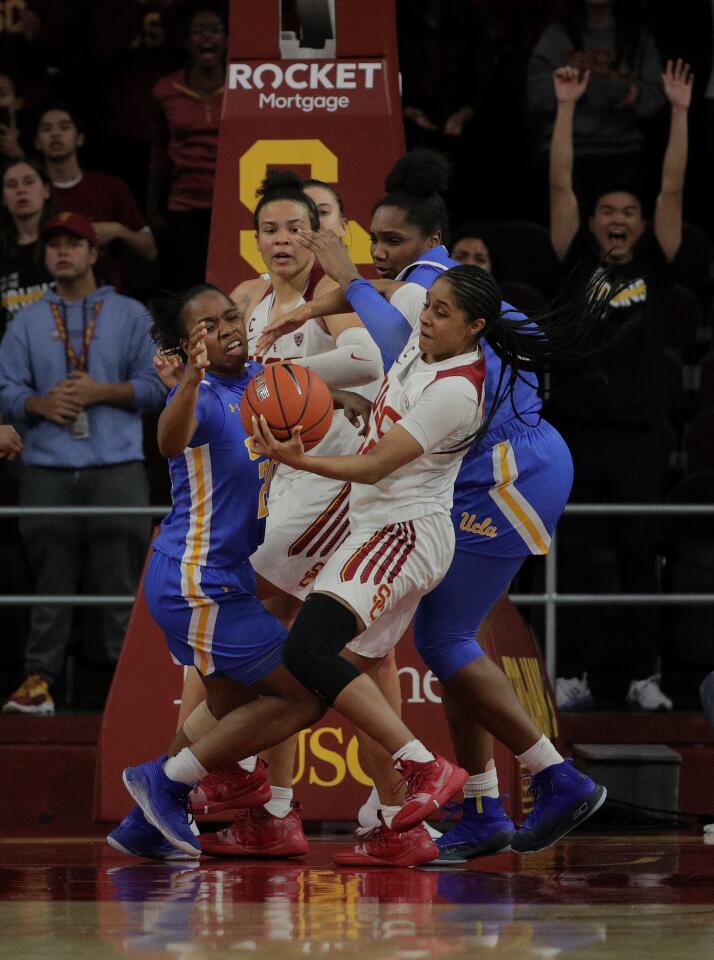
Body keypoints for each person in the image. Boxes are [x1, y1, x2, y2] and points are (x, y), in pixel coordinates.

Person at [257, 148, 607, 864]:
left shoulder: (426, 297)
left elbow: (392, 348)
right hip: (488, 465)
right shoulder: (428, 284)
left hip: (510, 470)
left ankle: (553, 775)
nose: (380, 252)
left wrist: (343, 286)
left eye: (393, 242)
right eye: (373, 240)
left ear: (431, 244)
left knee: (446, 638)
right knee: (448, 642)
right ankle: (481, 802)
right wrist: (327, 298)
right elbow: (372, 314)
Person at [116, 279, 469, 862]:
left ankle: (147, 822)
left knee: (229, 712)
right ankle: (169, 780)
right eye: (207, 326)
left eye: (231, 315)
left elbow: (305, 395)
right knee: (304, 695)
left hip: (223, 580)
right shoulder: (199, 398)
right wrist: (188, 382)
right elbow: (168, 440)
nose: (227, 328)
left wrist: (345, 403)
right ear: (186, 346)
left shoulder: (260, 382)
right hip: (195, 582)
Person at [157, 172, 385, 857]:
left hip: (323, 493)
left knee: (309, 658)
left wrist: (313, 383)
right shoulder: (245, 302)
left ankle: (195, 791)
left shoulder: (327, 300)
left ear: (324, 233)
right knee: (260, 661)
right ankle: (265, 803)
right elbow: (194, 383)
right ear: (254, 240)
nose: (284, 239)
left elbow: (368, 361)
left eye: (299, 225)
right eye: (272, 229)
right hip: (270, 492)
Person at [546, 60, 692, 711]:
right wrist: (568, 106)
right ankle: (570, 672)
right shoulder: (575, 260)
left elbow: (671, 189)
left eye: (627, 212)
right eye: (607, 209)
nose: (617, 218)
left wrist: (680, 111)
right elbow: (559, 182)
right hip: (574, 434)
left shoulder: (656, 267)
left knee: (639, 554)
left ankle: (642, 675)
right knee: (572, 556)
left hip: (637, 436)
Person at [0, 212, 166, 716]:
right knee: (49, 582)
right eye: (54, 246)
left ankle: (127, 693)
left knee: (120, 583)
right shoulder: (25, 320)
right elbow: (5, 390)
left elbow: (160, 386)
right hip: (47, 467)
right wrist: (37, 406)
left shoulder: (133, 315)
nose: (63, 253)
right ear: (45, 257)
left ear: (95, 254)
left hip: (116, 465)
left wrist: (101, 392)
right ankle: (39, 684)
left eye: (75, 244)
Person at [527, 0, 665, 210]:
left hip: (623, 150)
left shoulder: (638, 36)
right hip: (568, 152)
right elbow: (535, 97)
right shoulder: (556, 35)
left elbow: (659, 93)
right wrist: (566, 78)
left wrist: (635, 94)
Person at [33, 100, 156, 292]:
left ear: (80, 138)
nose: (55, 133)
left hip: (107, 293)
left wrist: (119, 231)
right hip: (45, 293)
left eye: (64, 127)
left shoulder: (111, 186)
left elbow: (151, 250)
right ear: (37, 142)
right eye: (47, 129)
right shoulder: (31, 191)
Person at [148, 2, 226, 289]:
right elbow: (158, 153)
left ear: (227, 38)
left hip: (230, 205)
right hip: (184, 206)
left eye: (215, 30)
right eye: (198, 31)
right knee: (185, 290)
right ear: (186, 41)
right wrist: (152, 208)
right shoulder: (165, 90)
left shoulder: (243, 84)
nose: (207, 37)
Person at [0, 157, 54, 336]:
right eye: (11, 185)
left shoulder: (68, 246)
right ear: (3, 199)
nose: (21, 190)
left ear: (46, 190)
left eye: (29, 182)